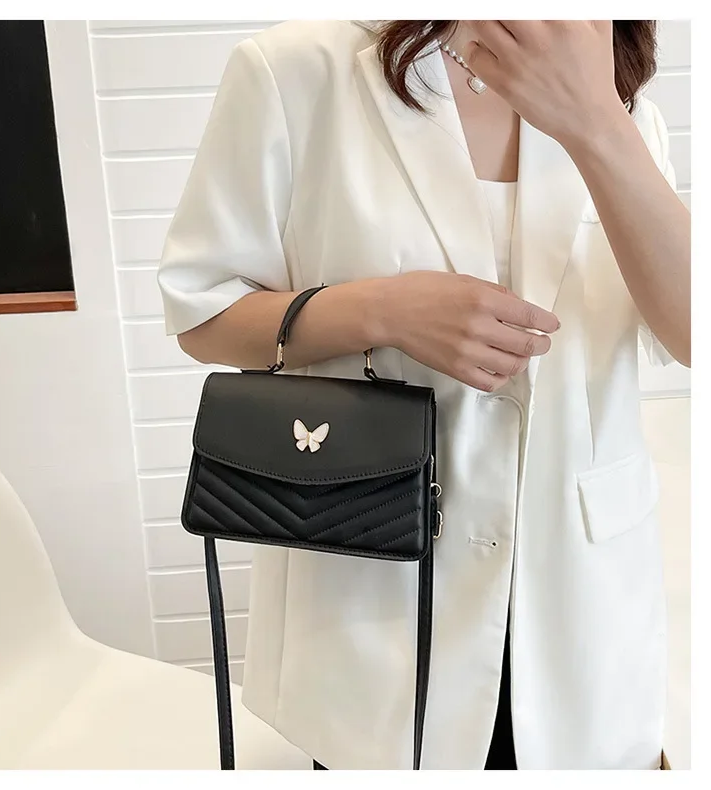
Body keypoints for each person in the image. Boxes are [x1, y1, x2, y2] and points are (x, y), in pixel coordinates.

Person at [157, 20, 690, 770]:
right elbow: (202, 313)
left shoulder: (624, 100)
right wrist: (382, 311)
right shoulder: (298, 71)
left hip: (583, 606)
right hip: (377, 582)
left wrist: (598, 123)